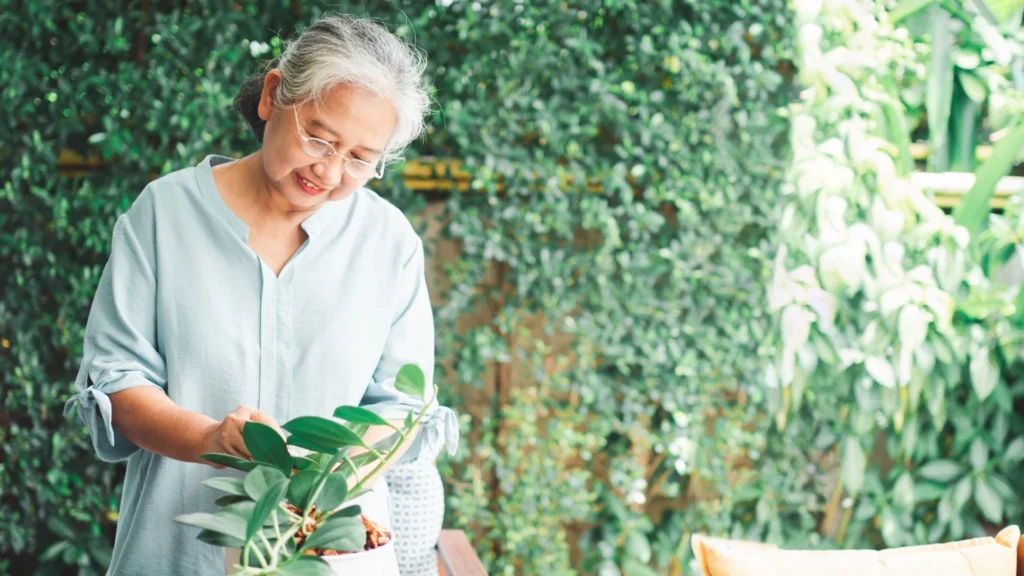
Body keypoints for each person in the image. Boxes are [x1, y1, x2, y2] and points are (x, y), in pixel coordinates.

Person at [63, 15, 457, 575]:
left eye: (362, 158)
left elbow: (401, 407)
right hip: (178, 555)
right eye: (320, 136)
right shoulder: (164, 214)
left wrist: (318, 471)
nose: (330, 169)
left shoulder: (389, 242)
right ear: (274, 96)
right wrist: (210, 438)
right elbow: (118, 384)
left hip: (333, 556)